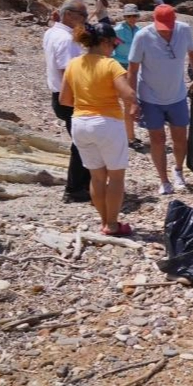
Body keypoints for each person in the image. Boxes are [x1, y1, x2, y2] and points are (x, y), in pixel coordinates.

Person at [59, 23, 138, 236]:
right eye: (113, 44)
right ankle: (113, 224)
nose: (113, 48)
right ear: (104, 42)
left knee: (97, 177)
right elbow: (127, 94)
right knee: (116, 176)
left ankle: (104, 221)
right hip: (107, 123)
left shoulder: (73, 64)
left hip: (80, 123)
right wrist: (134, 102)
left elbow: (64, 99)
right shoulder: (110, 64)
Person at [127, 4, 193, 195]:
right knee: (157, 139)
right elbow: (133, 69)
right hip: (150, 96)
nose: (166, 31)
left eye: (169, 27)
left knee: (180, 138)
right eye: (162, 28)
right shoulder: (143, 36)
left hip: (176, 94)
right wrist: (133, 101)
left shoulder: (183, 30)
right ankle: (163, 180)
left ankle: (178, 171)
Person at [43, 0, 93, 203]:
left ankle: (81, 185)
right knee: (83, 143)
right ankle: (75, 188)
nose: (85, 20)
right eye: (83, 16)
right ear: (70, 14)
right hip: (70, 96)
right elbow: (69, 73)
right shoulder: (66, 39)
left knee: (80, 141)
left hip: (59, 95)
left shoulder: (52, 32)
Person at [113, 4, 144, 150]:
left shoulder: (139, 31)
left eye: (134, 15)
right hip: (120, 67)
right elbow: (111, 48)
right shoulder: (117, 31)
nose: (132, 18)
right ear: (125, 17)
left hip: (134, 67)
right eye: (129, 16)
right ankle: (129, 137)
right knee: (127, 102)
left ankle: (128, 135)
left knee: (130, 102)